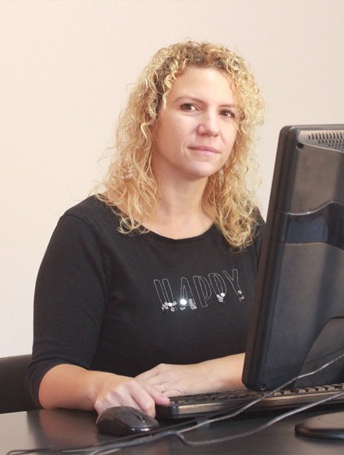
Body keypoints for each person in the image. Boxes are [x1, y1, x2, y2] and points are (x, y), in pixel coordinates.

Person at [26, 40, 265, 417]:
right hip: (138, 435)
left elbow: (287, 351)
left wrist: (204, 376)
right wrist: (103, 386)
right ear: (151, 117)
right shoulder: (87, 232)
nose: (210, 128)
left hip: (248, 433)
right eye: (190, 107)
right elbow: (48, 376)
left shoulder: (244, 224)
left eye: (227, 113)